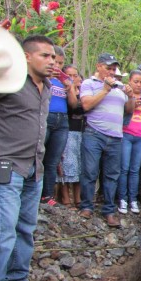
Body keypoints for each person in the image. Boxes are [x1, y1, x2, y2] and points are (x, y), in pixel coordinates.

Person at [0, 32, 54, 281]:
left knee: (26, 227)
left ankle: (17, 278)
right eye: (44, 56)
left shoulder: (46, 87)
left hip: (34, 166)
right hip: (6, 164)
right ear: (26, 56)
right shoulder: (7, 81)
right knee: (3, 228)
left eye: (52, 56)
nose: (51, 61)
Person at [78, 53, 134, 228]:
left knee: (112, 175)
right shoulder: (89, 83)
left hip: (116, 136)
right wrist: (105, 89)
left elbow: (129, 111)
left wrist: (131, 96)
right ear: (98, 66)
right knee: (90, 171)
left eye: (113, 69)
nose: (111, 71)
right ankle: (87, 206)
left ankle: (109, 210)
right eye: (108, 68)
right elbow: (86, 105)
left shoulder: (119, 87)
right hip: (94, 132)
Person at [41, 45, 77, 207]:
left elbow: (74, 105)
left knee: (53, 160)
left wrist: (70, 88)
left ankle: (47, 196)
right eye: (55, 61)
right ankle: (32, 192)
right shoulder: (42, 76)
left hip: (62, 120)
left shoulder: (64, 81)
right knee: (38, 156)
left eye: (61, 63)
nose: (57, 66)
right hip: (46, 117)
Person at [117, 70, 141, 214]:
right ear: (130, 82)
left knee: (135, 170)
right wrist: (131, 100)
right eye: (136, 81)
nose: (139, 84)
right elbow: (122, 112)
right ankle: (122, 198)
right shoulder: (123, 95)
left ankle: (133, 199)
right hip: (126, 133)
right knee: (124, 168)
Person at [59, 64, 84, 208]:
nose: (73, 78)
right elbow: (72, 106)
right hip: (67, 130)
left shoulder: (84, 92)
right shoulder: (62, 92)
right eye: (70, 75)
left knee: (79, 165)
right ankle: (65, 196)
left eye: (75, 75)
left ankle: (78, 197)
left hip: (81, 131)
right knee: (66, 164)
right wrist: (71, 90)